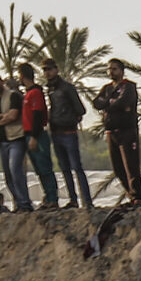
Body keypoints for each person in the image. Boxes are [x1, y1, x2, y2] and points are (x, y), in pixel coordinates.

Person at [42, 59, 93, 209]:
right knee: (64, 169)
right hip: (56, 133)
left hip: (68, 132)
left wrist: (69, 118)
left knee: (77, 167)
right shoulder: (49, 90)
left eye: (49, 69)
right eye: (45, 70)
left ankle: (87, 201)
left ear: (56, 69)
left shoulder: (67, 88)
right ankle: (73, 199)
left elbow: (81, 109)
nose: (47, 73)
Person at [93, 59, 141, 205]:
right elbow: (97, 103)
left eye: (114, 69)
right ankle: (130, 194)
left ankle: (137, 196)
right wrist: (111, 102)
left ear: (121, 71)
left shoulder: (129, 86)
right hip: (111, 131)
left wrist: (108, 104)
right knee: (117, 167)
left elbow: (124, 101)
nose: (111, 72)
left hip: (127, 131)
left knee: (131, 165)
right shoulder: (107, 88)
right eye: (109, 69)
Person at [0, 70, 31, 212]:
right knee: (8, 176)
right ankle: (18, 202)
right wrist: (2, 117)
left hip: (16, 138)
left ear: (1, 81)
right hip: (1, 141)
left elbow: (13, 116)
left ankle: (25, 204)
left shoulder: (13, 96)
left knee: (16, 171)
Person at [17, 64, 59, 208]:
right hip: (28, 134)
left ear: (22, 75)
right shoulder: (27, 94)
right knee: (39, 169)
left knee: (45, 167)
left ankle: (53, 198)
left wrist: (34, 137)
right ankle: (48, 196)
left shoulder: (35, 93)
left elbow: (37, 115)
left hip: (37, 134)